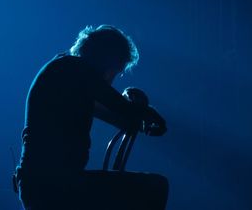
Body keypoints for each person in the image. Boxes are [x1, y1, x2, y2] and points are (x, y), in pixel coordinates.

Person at [14, 25, 169, 210]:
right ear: (107, 61)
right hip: (54, 187)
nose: (112, 79)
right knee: (155, 186)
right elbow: (120, 107)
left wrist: (136, 113)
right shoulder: (74, 69)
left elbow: (120, 114)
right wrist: (148, 114)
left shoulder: (66, 75)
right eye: (115, 71)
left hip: (46, 185)